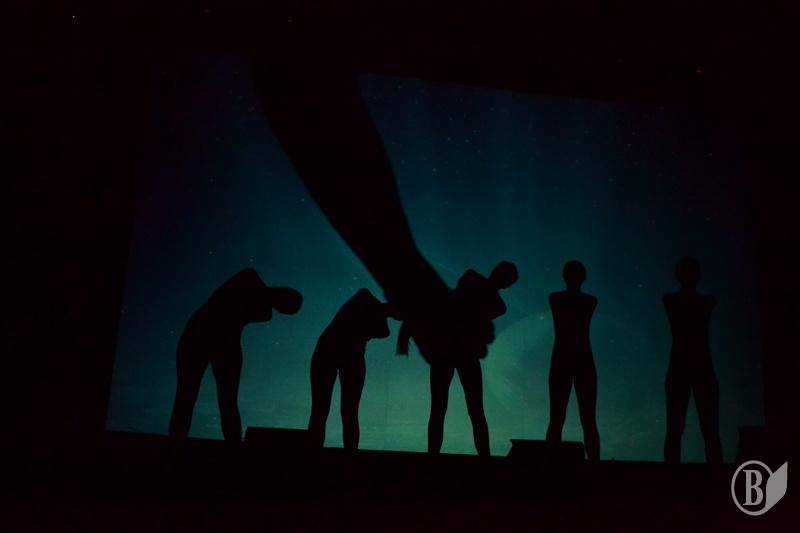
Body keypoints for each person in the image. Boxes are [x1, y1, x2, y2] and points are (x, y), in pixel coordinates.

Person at [398, 261, 518, 456]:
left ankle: (434, 456)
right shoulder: (496, 303)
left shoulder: (472, 279)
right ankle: (483, 458)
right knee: (471, 410)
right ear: (507, 285)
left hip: (447, 351)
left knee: (443, 408)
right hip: (463, 354)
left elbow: (455, 305)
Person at [168, 268, 302, 442]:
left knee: (222, 401)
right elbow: (247, 288)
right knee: (189, 396)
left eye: (286, 310)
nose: (281, 310)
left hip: (221, 341)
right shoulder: (250, 278)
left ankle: (230, 447)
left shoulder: (264, 311)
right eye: (286, 307)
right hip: (202, 335)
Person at [307, 289, 395, 449]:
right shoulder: (366, 299)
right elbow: (384, 332)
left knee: (326, 411)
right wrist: (382, 312)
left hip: (337, 352)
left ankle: (315, 453)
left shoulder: (366, 301)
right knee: (341, 412)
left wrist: (382, 312)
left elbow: (384, 332)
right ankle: (345, 456)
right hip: (336, 352)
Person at [663, 257, 722, 464]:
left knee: (680, 429)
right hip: (699, 366)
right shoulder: (705, 302)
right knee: (706, 429)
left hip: (683, 367)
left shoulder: (673, 300)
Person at [546, 260, 600, 462]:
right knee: (574, 419)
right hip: (578, 359)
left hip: (565, 359)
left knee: (564, 418)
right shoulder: (585, 301)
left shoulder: (558, 299)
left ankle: (554, 464)